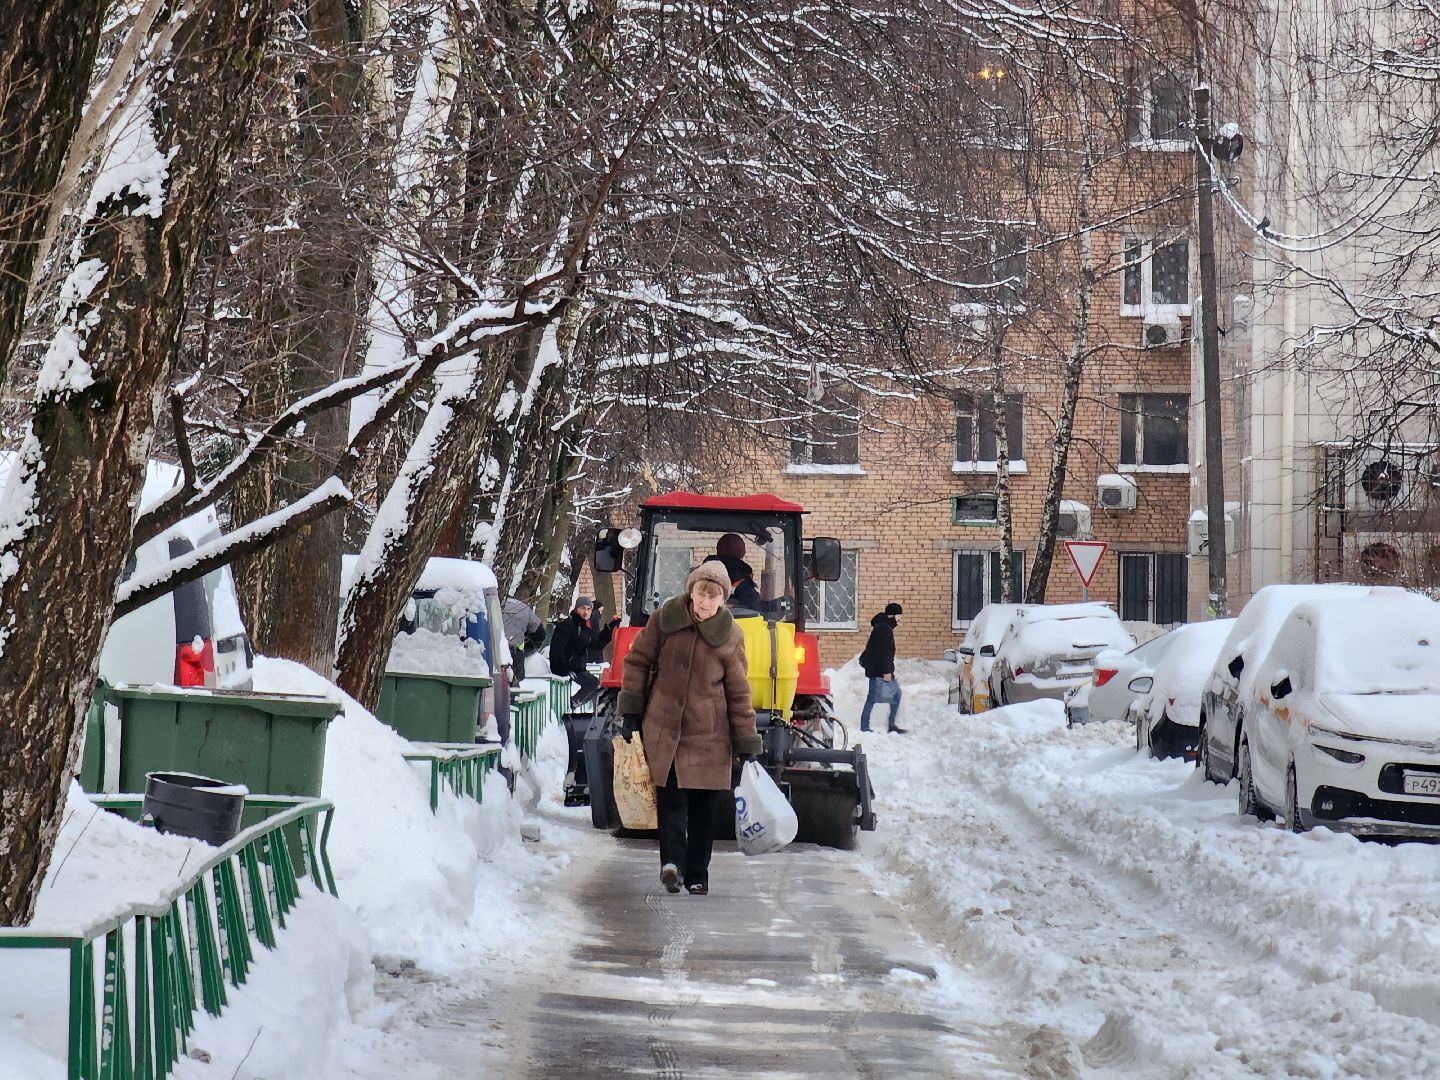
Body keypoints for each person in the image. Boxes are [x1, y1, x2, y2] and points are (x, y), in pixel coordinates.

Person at [618, 561, 763, 896]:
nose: (705, 602)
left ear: (723, 600)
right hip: (664, 729)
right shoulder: (664, 620)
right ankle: (671, 865)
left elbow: (739, 691)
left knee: (702, 811)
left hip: (710, 736)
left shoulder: (731, 635)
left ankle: (697, 874)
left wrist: (746, 742)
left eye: (713, 597)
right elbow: (637, 661)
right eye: (701, 593)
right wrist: (631, 711)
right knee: (670, 803)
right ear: (691, 590)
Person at [550, 597, 619, 709]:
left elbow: (597, 644)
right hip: (567, 667)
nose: (586, 612)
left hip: (577, 667)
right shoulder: (568, 625)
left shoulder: (584, 627)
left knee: (596, 684)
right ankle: (570, 705)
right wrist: (563, 668)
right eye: (583, 608)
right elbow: (557, 649)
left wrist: (610, 627)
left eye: (588, 609)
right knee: (592, 684)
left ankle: (573, 705)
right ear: (576, 609)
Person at [859, 602, 906, 734]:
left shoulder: (882, 626)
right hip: (879, 670)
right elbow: (882, 652)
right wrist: (886, 671)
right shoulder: (884, 629)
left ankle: (888, 725)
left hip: (878, 669)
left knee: (887, 696)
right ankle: (866, 726)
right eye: (898, 615)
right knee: (884, 696)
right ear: (892, 615)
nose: (900, 619)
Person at [703, 532, 772, 613]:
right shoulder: (741, 579)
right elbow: (756, 608)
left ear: (718, 549)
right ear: (741, 553)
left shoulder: (702, 575)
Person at [502, 595, 547, 680]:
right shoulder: (525, 609)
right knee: (515, 683)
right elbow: (540, 633)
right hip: (515, 651)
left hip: (494, 650)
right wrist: (527, 649)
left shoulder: (494, 603)